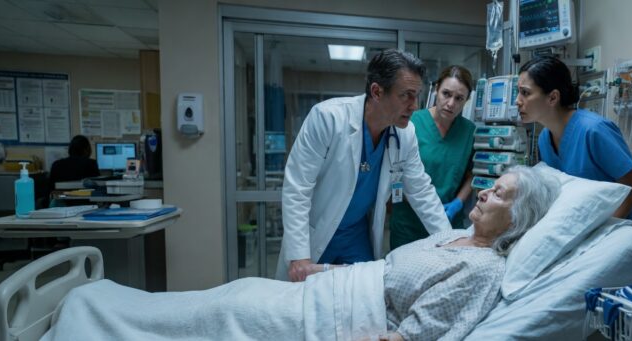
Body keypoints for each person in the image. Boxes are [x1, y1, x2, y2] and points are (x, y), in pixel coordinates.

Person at [43, 166, 561, 341]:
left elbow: (411, 336)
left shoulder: (482, 269)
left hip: (331, 319)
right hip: (324, 289)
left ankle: (85, 318)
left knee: (222, 314)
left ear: (516, 221)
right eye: (491, 186)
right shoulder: (452, 238)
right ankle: (93, 308)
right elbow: (383, 268)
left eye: (501, 194)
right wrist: (319, 268)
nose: (487, 193)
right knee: (225, 299)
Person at [278, 49, 451, 282]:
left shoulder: (405, 134)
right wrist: (299, 257)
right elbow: (297, 188)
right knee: (304, 308)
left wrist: (451, 243)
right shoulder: (327, 118)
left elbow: (421, 191)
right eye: (406, 95)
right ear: (377, 91)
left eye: (417, 95)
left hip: (356, 238)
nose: (414, 105)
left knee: (363, 303)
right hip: (315, 236)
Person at [516, 56, 632, 228]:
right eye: (518, 92)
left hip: (617, 234)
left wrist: (604, 229)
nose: (517, 101)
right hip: (579, 229)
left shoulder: (594, 130)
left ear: (553, 98)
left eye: (525, 93)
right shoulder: (544, 140)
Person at [389, 65, 476, 250]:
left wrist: (458, 202)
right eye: (446, 94)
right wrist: (426, 206)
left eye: (459, 98)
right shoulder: (411, 123)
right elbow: (395, 173)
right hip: (409, 223)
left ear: (467, 100)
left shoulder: (469, 131)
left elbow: (472, 174)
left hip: (449, 221)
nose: (451, 103)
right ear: (436, 90)